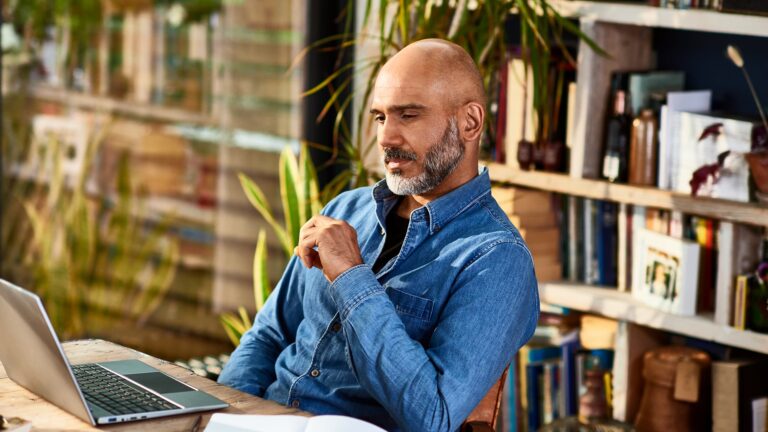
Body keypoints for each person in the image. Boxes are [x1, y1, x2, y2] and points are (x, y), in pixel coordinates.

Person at [218, 38, 539, 432]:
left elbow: (433, 416)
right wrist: (232, 414)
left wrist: (351, 276)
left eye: (408, 115)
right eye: (380, 117)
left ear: (470, 122)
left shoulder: (497, 258)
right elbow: (268, 335)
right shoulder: (345, 209)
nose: (386, 138)